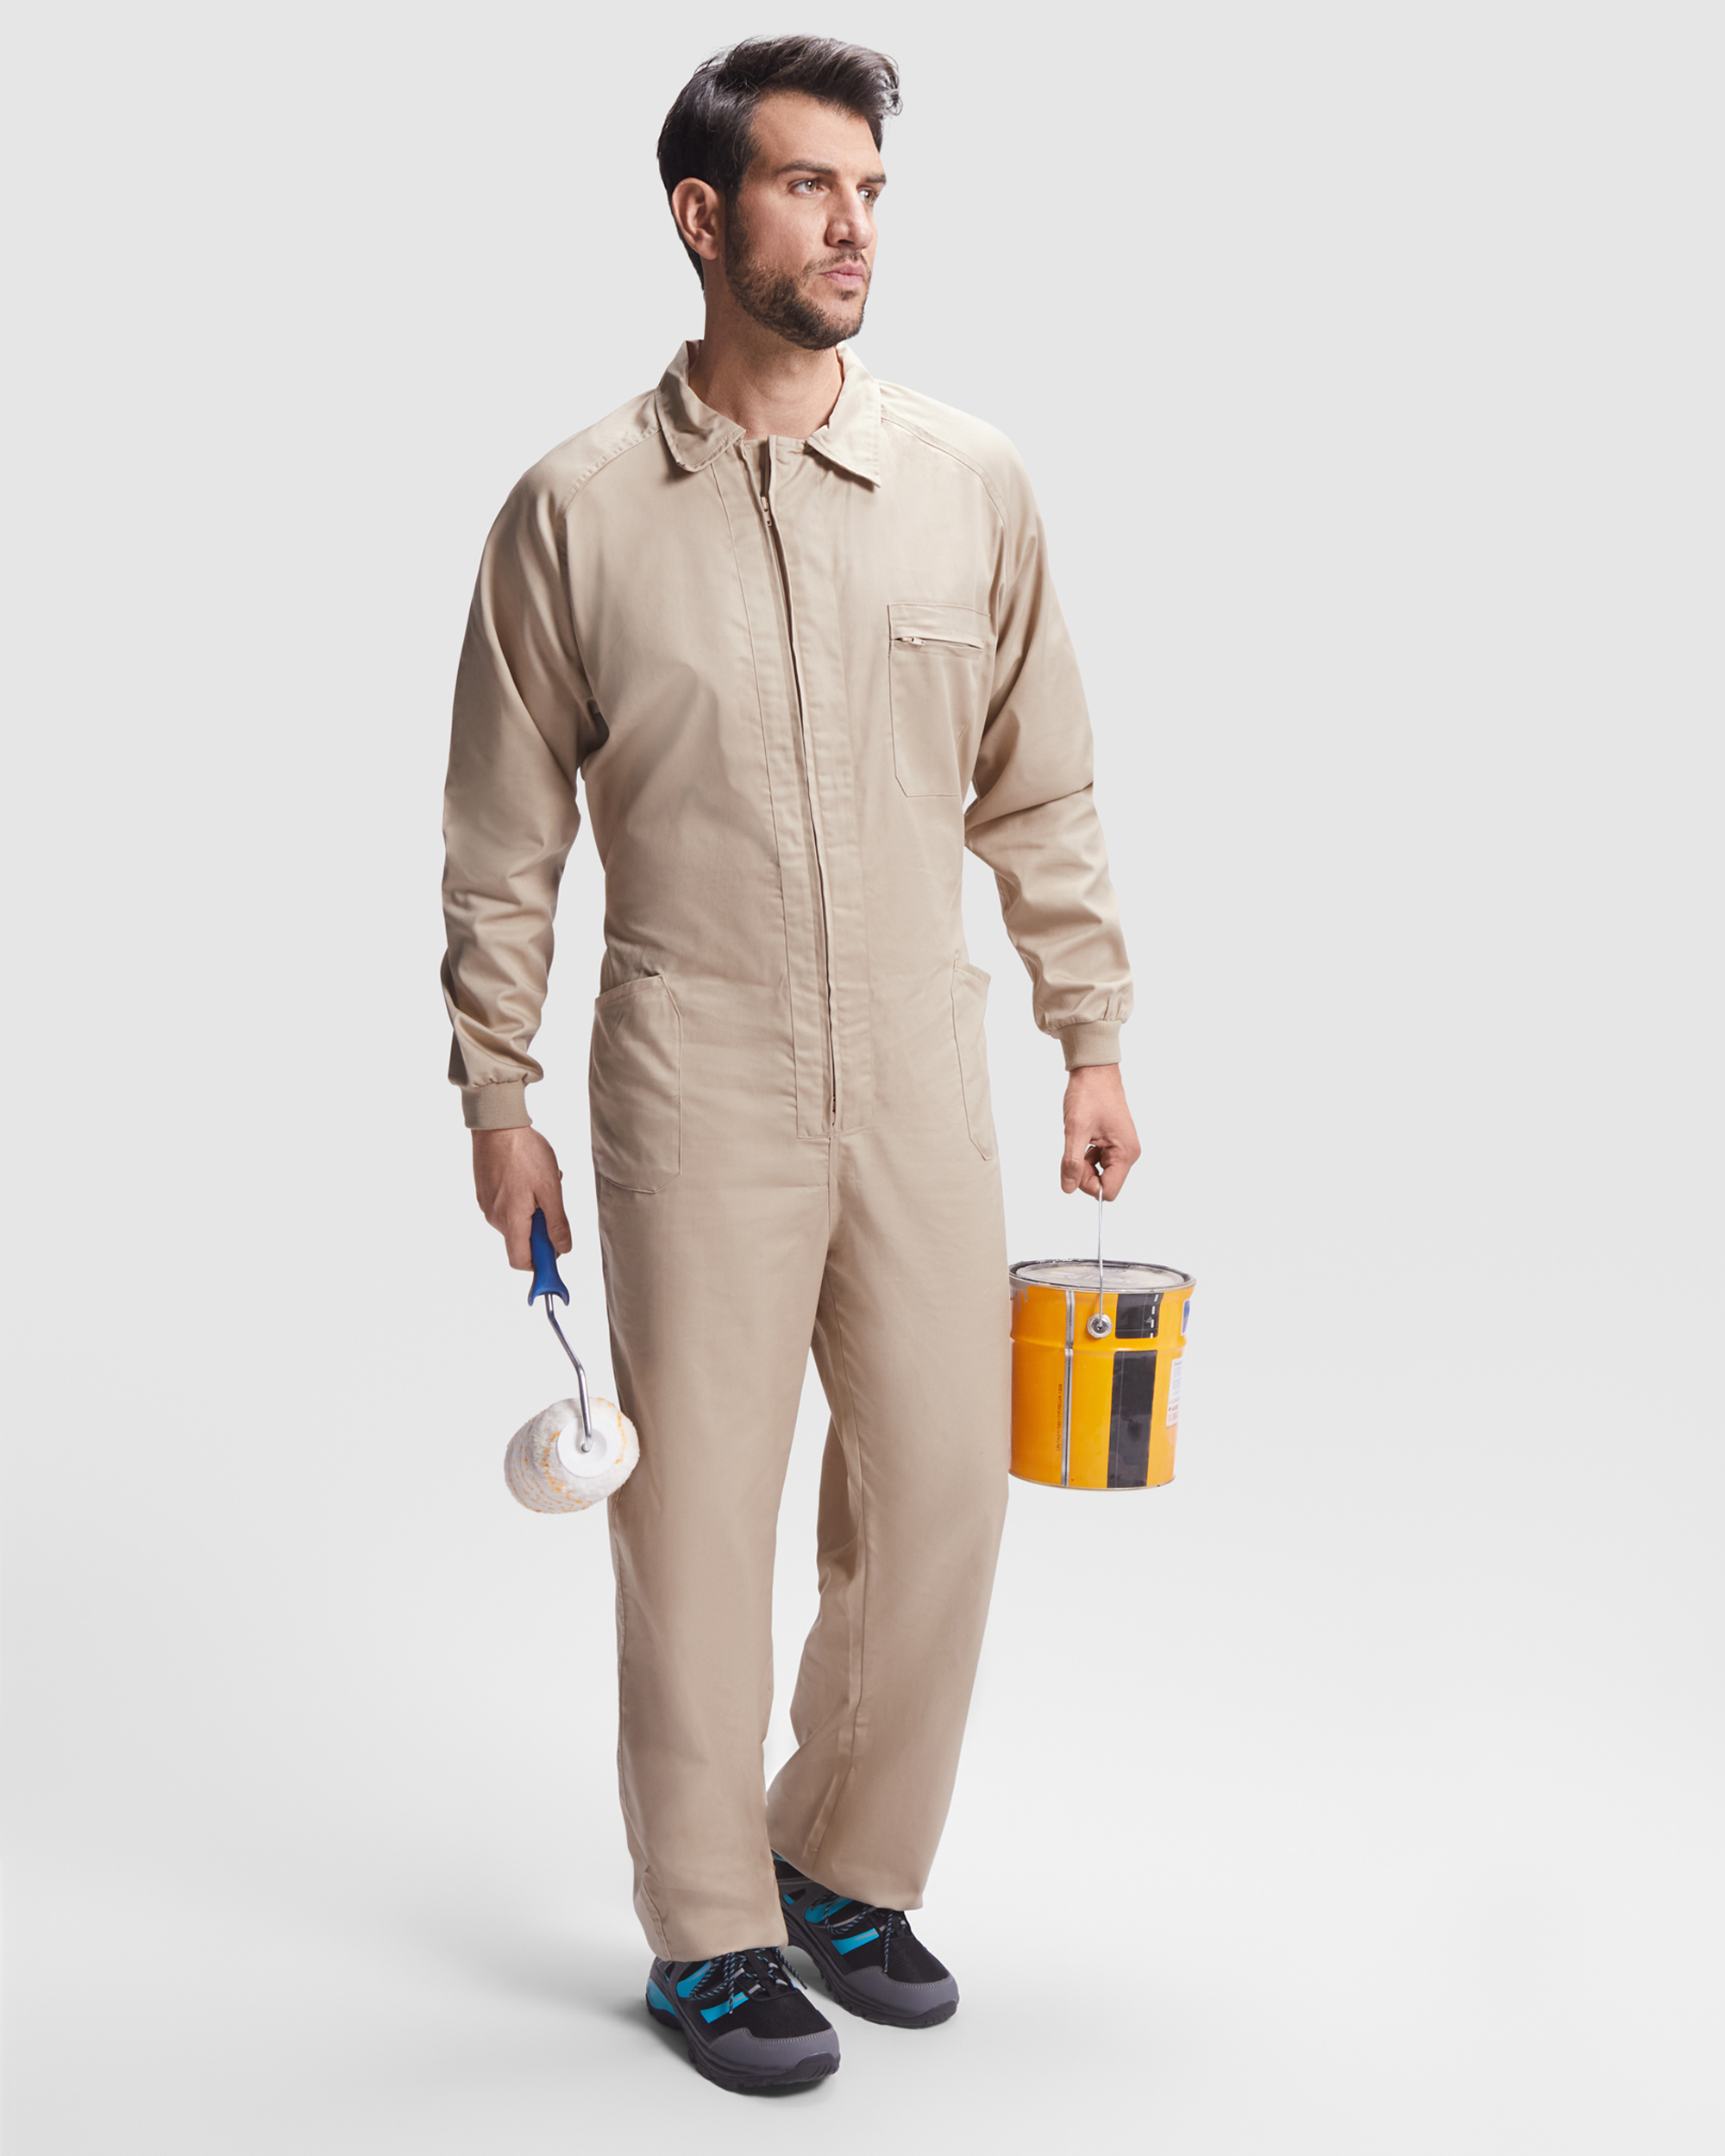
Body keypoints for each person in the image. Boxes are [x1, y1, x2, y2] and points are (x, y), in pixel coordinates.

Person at [440, 34, 1139, 2093]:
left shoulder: (967, 482)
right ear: (702, 215)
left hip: (920, 1058)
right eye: (809, 186)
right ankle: (709, 1926)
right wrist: (499, 1092)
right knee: (697, 1517)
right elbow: (501, 836)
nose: (852, 227)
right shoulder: (574, 512)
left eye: (871, 192)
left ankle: (834, 1856)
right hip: (695, 1067)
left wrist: (1090, 1032)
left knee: (941, 1487)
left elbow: (1042, 783)